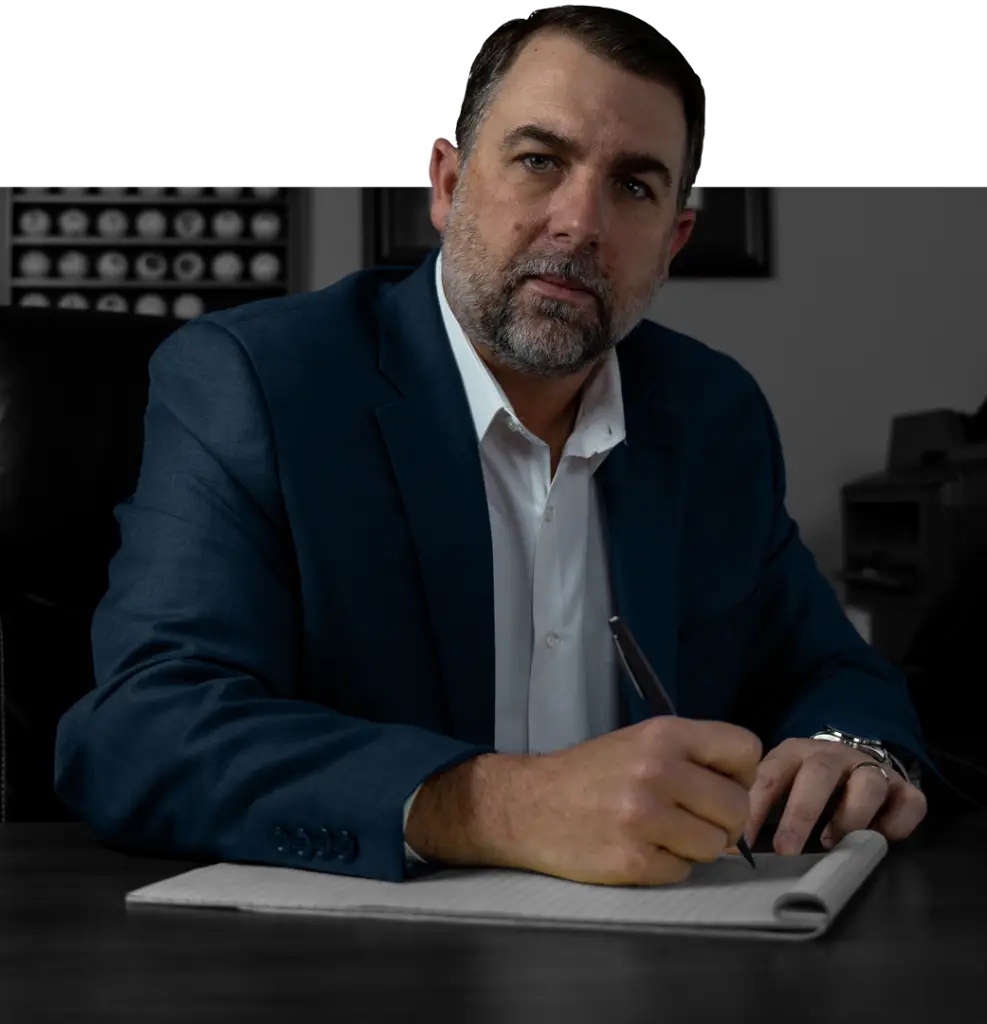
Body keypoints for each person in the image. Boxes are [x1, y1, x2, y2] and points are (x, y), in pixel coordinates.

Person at [54, 5, 935, 887]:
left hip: (670, 958)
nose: (578, 223)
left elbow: (828, 669)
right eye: (539, 160)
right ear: (445, 183)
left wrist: (844, 749)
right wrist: (499, 805)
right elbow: (143, 731)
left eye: (632, 185)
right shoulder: (255, 382)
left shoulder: (711, 413)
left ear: (670, 244)